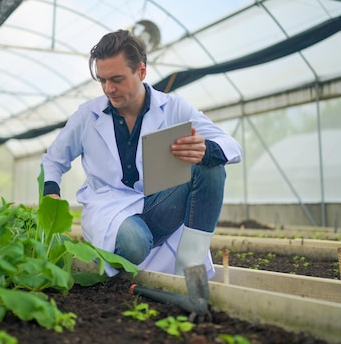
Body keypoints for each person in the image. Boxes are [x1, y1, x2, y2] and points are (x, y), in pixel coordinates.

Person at [41, 29, 242, 278]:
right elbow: (53, 159)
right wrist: (50, 191)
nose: (108, 89)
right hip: (109, 209)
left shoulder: (173, 108)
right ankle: (119, 257)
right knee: (134, 242)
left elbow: (230, 144)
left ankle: (191, 268)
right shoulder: (87, 116)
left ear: (142, 71)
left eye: (117, 79)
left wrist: (206, 149)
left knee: (210, 166)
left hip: (158, 203)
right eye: (103, 80)